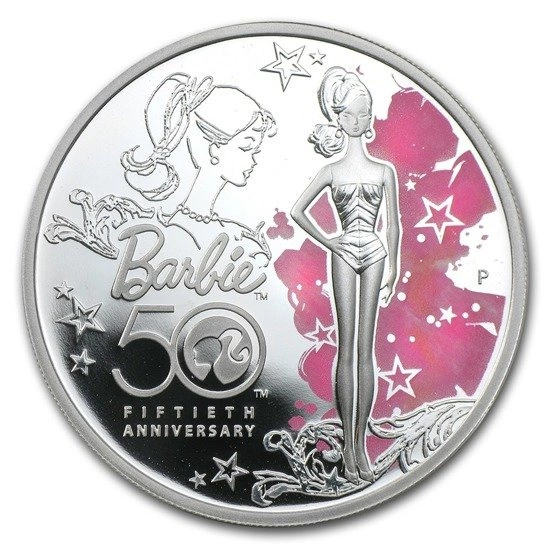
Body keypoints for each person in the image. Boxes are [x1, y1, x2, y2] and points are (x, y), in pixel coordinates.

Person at [291, 67, 401, 483]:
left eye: (364, 113)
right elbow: (297, 211)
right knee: (347, 346)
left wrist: (396, 265)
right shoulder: (331, 171)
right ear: (339, 118)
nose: (359, 120)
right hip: (344, 251)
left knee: (364, 348)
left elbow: (393, 226)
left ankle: (359, 445)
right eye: (351, 114)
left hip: (373, 252)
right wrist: (329, 241)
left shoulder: (384, 171)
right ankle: (350, 452)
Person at [121, 73, 276, 255]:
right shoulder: (175, 232)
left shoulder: (232, 231)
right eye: (246, 148)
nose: (254, 161)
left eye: (255, 151)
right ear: (214, 149)